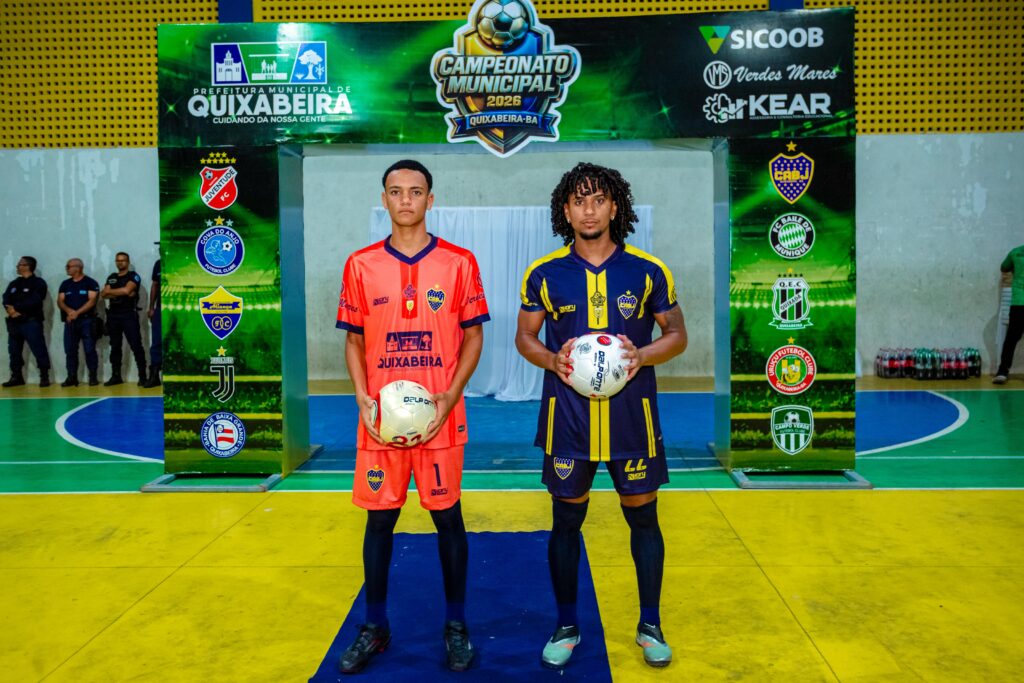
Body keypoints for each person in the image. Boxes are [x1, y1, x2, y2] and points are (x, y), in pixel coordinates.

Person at [515, 162, 687, 670]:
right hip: (568, 419)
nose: (588, 210)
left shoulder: (648, 271)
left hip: (632, 418)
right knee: (566, 520)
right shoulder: (544, 274)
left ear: (615, 207)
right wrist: (552, 359)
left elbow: (677, 335)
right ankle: (567, 625)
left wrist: (642, 355)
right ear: (565, 211)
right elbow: (525, 337)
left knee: (643, 517)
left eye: (598, 200)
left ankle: (650, 625)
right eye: (578, 201)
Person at [334, 160, 489, 674]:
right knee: (380, 521)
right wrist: (362, 397)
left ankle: (457, 625)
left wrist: (450, 394)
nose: (406, 200)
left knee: (448, 519)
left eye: (416, 191)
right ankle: (374, 626)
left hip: (440, 417)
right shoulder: (360, 265)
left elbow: (474, 336)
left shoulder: (459, 263)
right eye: (396, 192)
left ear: (430, 199)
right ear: (384, 199)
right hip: (381, 419)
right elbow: (354, 341)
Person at [2, 256, 52, 388]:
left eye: (20, 264)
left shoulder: (38, 283)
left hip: (31, 322)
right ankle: (16, 376)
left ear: (27, 266)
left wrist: (16, 308)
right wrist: (10, 310)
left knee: (38, 349)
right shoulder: (14, 283)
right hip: (14, 323)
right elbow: (6, 297)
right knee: (14, 351)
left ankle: (44, 376)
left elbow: (35, 301)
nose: (17, 267)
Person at [101, 252, 147, 386]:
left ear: (128, 262)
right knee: (115, 346)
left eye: (123, 260)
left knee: (136, 345)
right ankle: (116, 376)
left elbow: (127, 291)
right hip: (113, 315)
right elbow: (104, 294)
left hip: (128, 314)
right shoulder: (112, 277)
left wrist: (113, 292)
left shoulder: (133, 276)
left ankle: (142, 377)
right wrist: (122, 292)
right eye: (118, 260)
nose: (120, 262)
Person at [57, 258, 100, 387]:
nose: (66, 268)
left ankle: (93, 376)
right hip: (70, 322)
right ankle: (72, 377)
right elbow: (60, 301)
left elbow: (92, 301)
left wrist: (78, 312)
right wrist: (69, 311)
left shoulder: (90, 283)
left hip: (87, 321)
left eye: (68, 266)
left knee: (89, 350)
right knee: (70, 351)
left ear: (78, 267)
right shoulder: (65, 284)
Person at [994, 243, 1024, 384]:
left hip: (1018, 302)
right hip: (1018, 302)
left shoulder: (1015, 252)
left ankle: (1002, 371)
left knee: (1011, 338)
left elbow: (1004, 267)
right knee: (1011, 338)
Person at [142, 257, 162, 387]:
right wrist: (151, 307)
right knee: (157, 342)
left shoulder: (181, 258)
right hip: (161, 308)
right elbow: (155, 285)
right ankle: (154, 376)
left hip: (179, 308)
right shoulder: (159, 264)